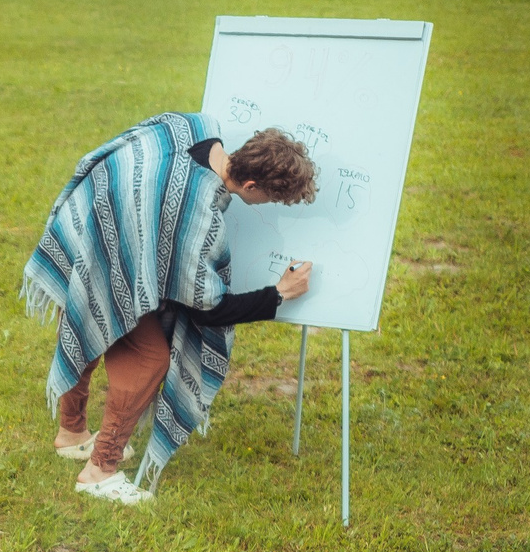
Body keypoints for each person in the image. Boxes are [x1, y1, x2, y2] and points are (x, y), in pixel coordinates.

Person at [25, 118, 318, 505]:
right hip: (103, 250)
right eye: (272, 199)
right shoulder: (198, 213)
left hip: (81, 231)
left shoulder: (190, 125)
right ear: (250, 187)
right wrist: (277, 294)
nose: (271, 207)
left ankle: (72, 433)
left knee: (90, 317)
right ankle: (99, 472)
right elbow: (209, 308)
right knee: (148, 358)